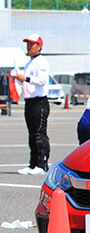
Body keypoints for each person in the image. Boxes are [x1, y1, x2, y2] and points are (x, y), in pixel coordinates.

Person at [14, 34, 50, 175]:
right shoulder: (29, 63)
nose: (29, 47)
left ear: (39, 46)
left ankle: (42, 164)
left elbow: (41, 80)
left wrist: (26, 78)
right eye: (27, 44)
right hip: (29, 101)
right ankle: (33, 163)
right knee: (32, 134)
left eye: (32, 44)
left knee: (39, 134)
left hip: (39, 102)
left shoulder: (42, 62)